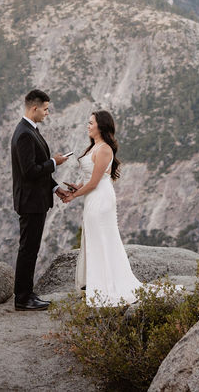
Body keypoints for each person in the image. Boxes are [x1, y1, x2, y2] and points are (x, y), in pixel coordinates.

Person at [63, 110, 144, 306]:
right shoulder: (94, 147)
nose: (88, 125)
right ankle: (96, 282)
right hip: (92, 197)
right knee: (93, 237)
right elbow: (87, 181)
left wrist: (73, 196)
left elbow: (95, 182)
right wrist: (76, 187)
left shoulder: (105, 149)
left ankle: (105, 284)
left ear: (101, 126)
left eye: (91, 123)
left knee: (102, 238)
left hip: (100, 199)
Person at [11, 89, 71, 311]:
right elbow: (29, 171)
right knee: (28, 249)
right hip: (30, 202)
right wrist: (55, 163)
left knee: (31, 248)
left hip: (35, 199)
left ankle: (26, 292)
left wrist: (54, 187)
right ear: (34, 108)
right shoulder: (25, 133)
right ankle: (23, 298)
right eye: (45, 109)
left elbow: (38, 171)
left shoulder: (30, 130)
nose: (47, 113)